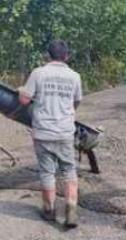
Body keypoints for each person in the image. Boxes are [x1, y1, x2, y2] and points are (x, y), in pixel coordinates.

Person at [19, 40, 83, 229]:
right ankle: (71, 212)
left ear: (48, 55)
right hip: (65, 132)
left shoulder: (38, 73)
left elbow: (24, 100)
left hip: (43, 133)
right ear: (66, 56)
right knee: (69, 171)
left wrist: (22, 90)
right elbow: (77, 101)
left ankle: (49, 210)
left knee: (47, 172)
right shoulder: (74, 76)